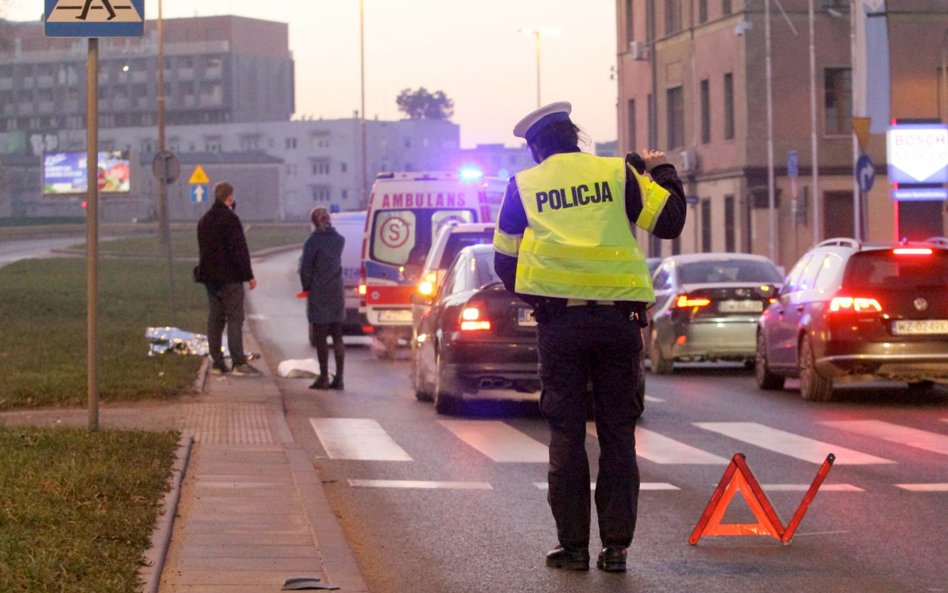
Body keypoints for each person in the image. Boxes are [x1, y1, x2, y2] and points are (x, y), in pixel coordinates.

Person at [492, 102, 686, 572]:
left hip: (561, 327)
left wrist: (542, 301)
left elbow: (503, 260)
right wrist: (662, 169)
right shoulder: (619, 174)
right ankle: (616, 549)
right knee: (618, 435)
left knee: (566, 435)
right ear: (574, 136)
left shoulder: (525, 186)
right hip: (619, 324)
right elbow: (671, 221)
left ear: (536, 148)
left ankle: (574, 548)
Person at [196, 181, 261, 376]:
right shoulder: (231, 220)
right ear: (230, 197)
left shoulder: (204, 220)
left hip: (209, 278)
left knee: (215, 319)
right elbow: (239, 250)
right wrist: (248, 276)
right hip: (229, 277)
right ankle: (238, 362)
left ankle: (216, 362)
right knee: (235, 318)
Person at [300, 207, 346, 390]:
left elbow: (306, 268)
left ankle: (324, 376)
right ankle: (340, 378)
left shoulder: (312, 242)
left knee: (320, 336)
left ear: (314, 222)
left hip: (319, 292)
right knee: (337, 335)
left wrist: (306, 287)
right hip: (336, 291)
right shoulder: (338, 240)